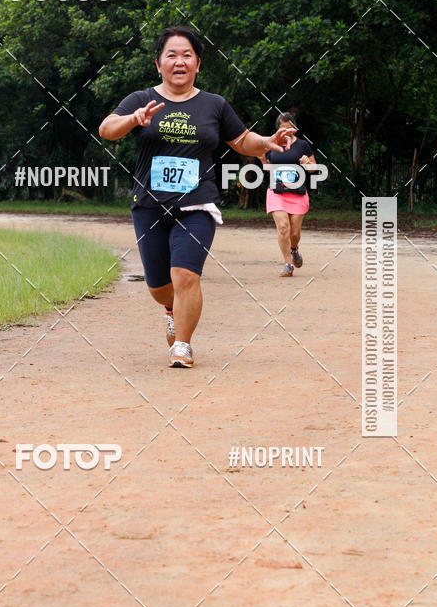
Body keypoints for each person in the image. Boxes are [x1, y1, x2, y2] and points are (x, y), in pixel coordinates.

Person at [99, 25, 295, 368]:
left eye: (187, 55)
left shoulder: (214, 105)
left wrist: (266, 142)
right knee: (159, 285)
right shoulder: (141, 99)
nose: (180, 61)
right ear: (158, 63)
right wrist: (133, 119)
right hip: (149, 204)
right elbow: (106, 129)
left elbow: (241, 140)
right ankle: (171, 308)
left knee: (186, 274)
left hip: (197, 203)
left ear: (198, 64)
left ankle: (183, 345)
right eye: (171, 55)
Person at [263, 112, 318, 277]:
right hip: (276, 192)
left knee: (294, 233)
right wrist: (262, 160)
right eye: (283, 128)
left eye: (289, 128)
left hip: (297, 193)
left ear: (294, 128)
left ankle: (294, 249)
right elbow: (269, 169)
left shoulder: (302, 145)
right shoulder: (272, 145)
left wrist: (307, 163)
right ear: (277, 130)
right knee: (283, 228)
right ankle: (287, 264)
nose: (286, 131)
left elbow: (314, 168)